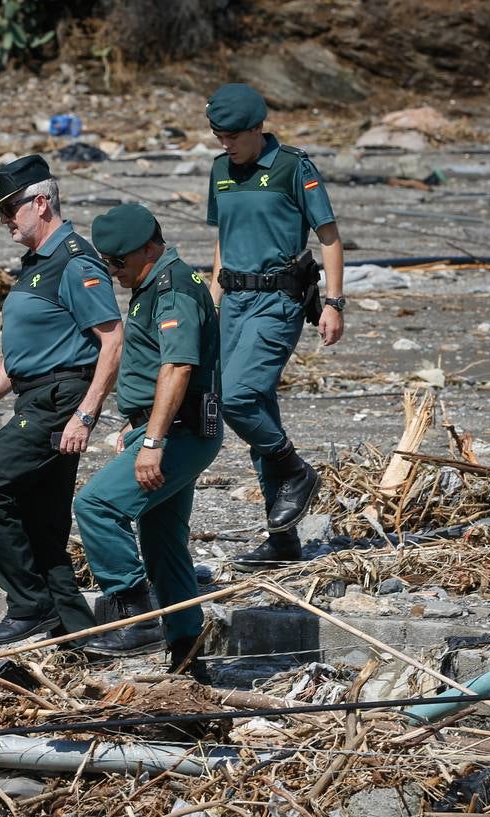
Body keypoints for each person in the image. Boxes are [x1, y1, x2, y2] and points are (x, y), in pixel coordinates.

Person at [0, 154, 123, 646]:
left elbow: (112, 340)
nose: (5, 221)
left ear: (41, 202)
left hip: (57, 401)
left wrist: (85, 415)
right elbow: (22, 354)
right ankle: (75, 632)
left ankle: (29, 605)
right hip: (35, 395)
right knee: (43, 521)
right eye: (2, 211)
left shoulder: (73, 260)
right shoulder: (37, 264)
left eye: (10, 209)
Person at [74, 203, 222, 682]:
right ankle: (186, 653)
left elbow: (177, 367)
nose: (114, 272)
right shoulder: (152, 284)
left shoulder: (172, 287)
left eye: (118, 262)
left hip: (176, 433)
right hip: (163, 428)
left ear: (147, 249)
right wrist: (136, 425)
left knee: (96, 506)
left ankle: (132, 612)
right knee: (163, 545)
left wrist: (152, 440)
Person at [205, 83, 347, 571]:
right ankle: (282, 538)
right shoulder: (220, 170)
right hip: (234, 301)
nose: (225, 144)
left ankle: (296, 470)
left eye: (232, 136)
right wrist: (211, 305)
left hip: (277, 300)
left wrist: (334, 302)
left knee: (238, 397)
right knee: (257, 409)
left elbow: (328, 237)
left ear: (256, 128)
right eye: (217, 135)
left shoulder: (292, 167)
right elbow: (223, 241)